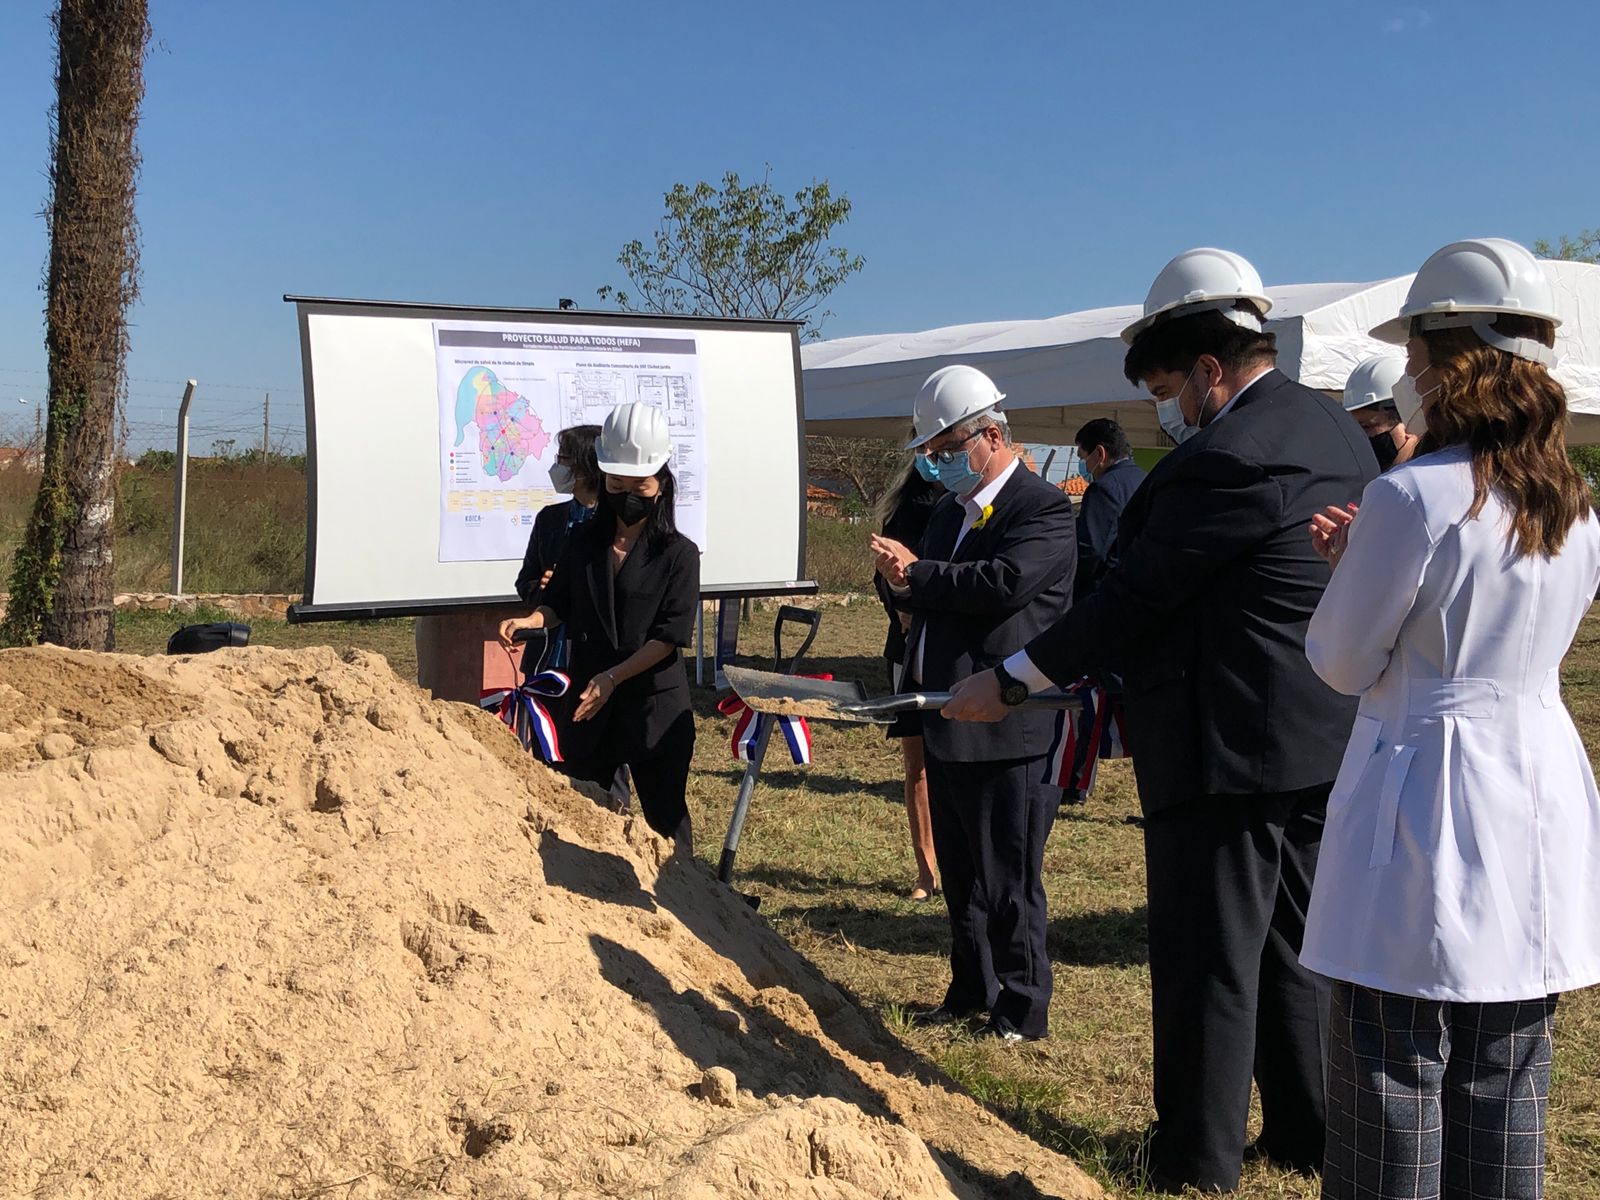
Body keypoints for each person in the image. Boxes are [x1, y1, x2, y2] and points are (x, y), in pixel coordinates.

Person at [944, 246, 1378, 1191]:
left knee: (1206, 958)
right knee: (1294, 949)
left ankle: (1195, 1157)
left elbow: (1135, 596)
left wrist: (1012, 677)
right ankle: (1306, 1131)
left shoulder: (1225, 457)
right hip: (1318, 735)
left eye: (1172, 388)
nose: (1169, 410)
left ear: (1213, 370)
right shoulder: (1336, 429)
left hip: (1224, 742)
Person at [1301, 237, 1600, 1200]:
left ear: (1454, 361)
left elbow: (1342, 661)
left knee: (1392, 1082)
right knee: (1507, 1086)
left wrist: (1355, 567)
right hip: (1536, 792)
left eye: (1420, 358)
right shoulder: (1577, 508)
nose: (1414, 378)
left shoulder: (1411, 495)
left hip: (1423, 794)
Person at [869, 364, 1076, 1044]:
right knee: (962, 873)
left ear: (989, 435)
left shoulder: (1040, 508)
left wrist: (919, 575)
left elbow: (1005, 584)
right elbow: (934, 595)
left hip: (1008, 722)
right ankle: (971, 987)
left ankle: (1022, 1005)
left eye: (944, 449)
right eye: (930, 454)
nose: (936, 464)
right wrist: (904, 586)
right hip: (945, 714)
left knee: (1009, 874)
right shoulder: (950, 517)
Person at [499, 403, 700, 851]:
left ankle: (686, 904)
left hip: (653, 708)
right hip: (588, 705)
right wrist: (530, 620)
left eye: (639, 485)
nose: (627, 494)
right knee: (584, 815)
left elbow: (668, 638)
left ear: (661, 485)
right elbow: (558, 604)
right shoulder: (581, 541)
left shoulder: (679, 554)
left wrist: (613, 677)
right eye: (617, 484)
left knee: (666, 825)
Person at [872, 458, 942, 900]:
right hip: (907, 647)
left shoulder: (969, 504)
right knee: (916, 766)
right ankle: (925, 870)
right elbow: (885, 578)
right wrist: (899, 607)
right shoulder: (901, 509)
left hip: (956, 649)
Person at [512, 424, 601, 680]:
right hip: (545, 658)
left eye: (563, 459)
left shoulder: (613, 524)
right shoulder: (550, 519)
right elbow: (525, 581)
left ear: (587, 466)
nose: (557, 467)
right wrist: (543, 588)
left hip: (590, 662)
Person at [1071, 417, 1145, 600]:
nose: (1084, 466)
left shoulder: (1104, 488)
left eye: (1083, 457)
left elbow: (1089, 552)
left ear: (1099, 454)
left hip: (1102, 595)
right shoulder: (1144, 478)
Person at [1340, 352, 1418, 472]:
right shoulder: (1369, 478)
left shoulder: (1426, 482)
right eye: (1355, 427)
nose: (1361, 435)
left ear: (1409, 423)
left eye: (1366, 426)